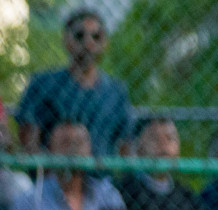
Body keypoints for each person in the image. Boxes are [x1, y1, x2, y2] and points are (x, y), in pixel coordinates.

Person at [15, 9, 132, 154]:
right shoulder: (43, 84)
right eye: (79, 36)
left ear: (105, 43)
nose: (88, 43)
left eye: (96, 37)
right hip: (53, 173)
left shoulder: (116, 91)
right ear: (66, 40)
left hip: (100, 174)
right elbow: (28, 140)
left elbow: (125, 144)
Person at [117, 117, 210, 210]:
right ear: (138, 147)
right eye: (155, 139)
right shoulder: (124, 191)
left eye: (170, 138)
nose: (164, 145)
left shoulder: (187, 196)